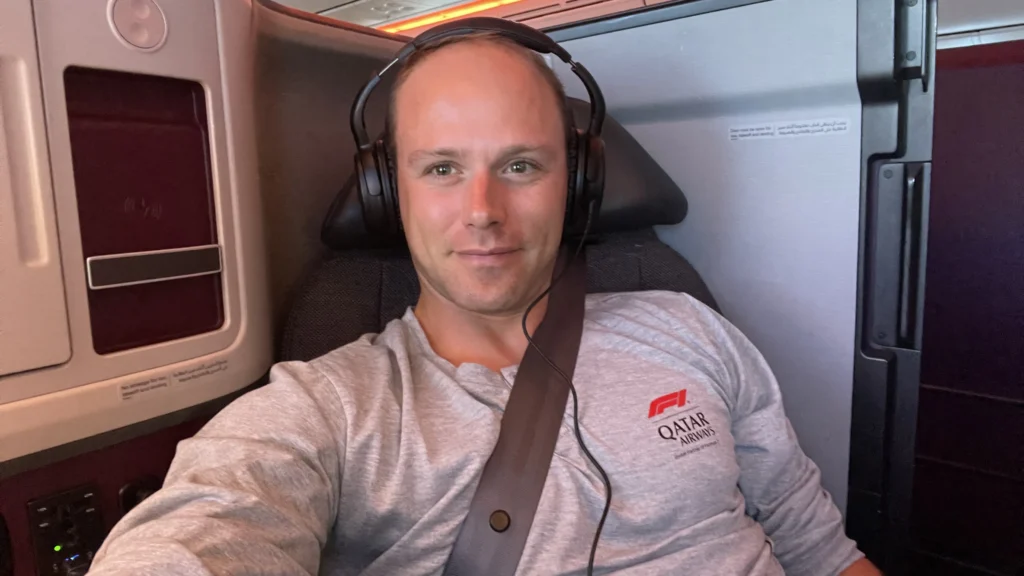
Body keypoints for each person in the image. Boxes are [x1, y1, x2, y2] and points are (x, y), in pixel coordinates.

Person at [88, 29, 881, 576]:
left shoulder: (690, 327)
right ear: (387, 191)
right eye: (440, 169)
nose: (482, 211)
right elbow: (206, 530)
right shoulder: (328, 407)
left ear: (577, 181)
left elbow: (819, 550)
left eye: (521, 166)